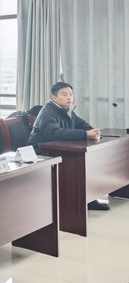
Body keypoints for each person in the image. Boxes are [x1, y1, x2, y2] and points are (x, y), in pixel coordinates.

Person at [28, 82, 105, 210]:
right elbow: (55, 133)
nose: (69, 97)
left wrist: (93, 131)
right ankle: (78, 201)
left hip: (60, 148)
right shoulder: (47, 113)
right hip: (42, 150)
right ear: (54, 98)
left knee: (88, 161)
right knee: (78, 163)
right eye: (64, 95)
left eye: (71, 94)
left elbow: (81, 124)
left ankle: (87, 199)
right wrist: (85, 134)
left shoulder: (66, 110)